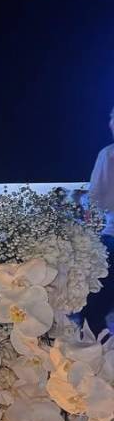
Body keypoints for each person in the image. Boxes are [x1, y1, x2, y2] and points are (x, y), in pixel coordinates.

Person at [83, 106, 114, 336]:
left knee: (95, 307)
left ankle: (100, 360)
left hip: (112, 236)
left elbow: (98, 198)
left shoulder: (109, 154)